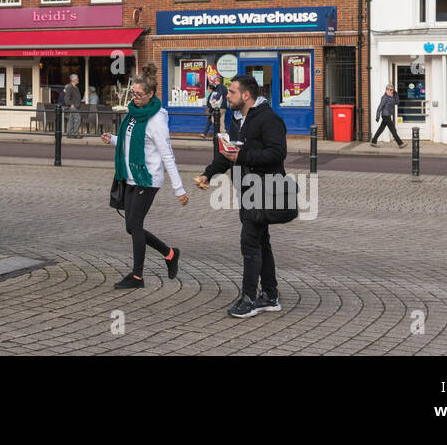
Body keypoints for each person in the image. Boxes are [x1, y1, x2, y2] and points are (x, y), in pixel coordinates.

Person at [194, 73, 287, 318]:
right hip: (246, 189)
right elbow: (228, 153)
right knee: (261, 242)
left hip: (265, 188)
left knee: (250, 243)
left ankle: (248, 299)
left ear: (246, 95)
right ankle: (270, 295)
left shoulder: (268, 119)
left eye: (232, 92)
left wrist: (244, 157)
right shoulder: (236, 119)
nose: (228, 96)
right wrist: (208, 174)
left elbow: (278, 153)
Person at [102, 64, 186, 289]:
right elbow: (131, 141)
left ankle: (137, 276)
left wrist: (179, 189)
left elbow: (167, 155)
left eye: (140, 95)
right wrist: (113, 139)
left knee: (135, 225)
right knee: (131, 226)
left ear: (150, 94)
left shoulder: (157, 119)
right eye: (133, 93)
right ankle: (169, 254)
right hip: (129, 176)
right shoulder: (133, 113)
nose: (135, 98)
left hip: (147, 179)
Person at [202, 68, 227, 141]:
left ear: (217, 81)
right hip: (224, 106)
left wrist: (215, 99)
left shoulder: (219, 87)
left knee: (214, 118)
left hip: (220, 106)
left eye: (215, 81)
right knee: (221, 120)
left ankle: (219, 133)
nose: (214, 82)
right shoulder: (224, 87)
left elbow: (219, 93)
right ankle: (223, 133)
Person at [62, 74, 83, 138]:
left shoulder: (76, 87)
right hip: (73, 107)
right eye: (77, 79)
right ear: (74, 80)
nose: (78, 80)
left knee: (71, 119)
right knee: (78, 119)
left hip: (76, 106)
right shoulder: (69, 87)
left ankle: (68, 133)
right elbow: (66, 99)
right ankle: (75, 133)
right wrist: (71, 105)